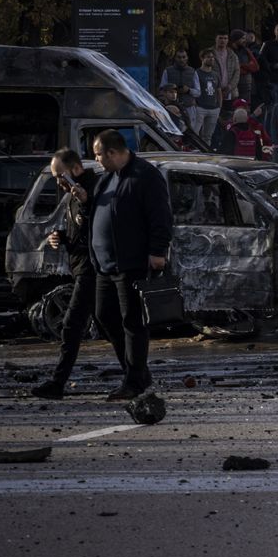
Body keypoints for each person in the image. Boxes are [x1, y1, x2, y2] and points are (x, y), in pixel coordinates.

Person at [85, 129, 173, 400]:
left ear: (112, 152)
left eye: (98, 155)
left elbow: (161, 215)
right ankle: (137, 372)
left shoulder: (144, 175)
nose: (96, 160)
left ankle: (134, 381)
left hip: (131, 262)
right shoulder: (106, 179)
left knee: (133, 322)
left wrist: (157, 251)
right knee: (104, 315)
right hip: (105, 265)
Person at [30, 150, 106, 399]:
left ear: (75, 169)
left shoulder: (94, 189)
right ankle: (136, 376)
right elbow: (79, 232)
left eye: (60, 175)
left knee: (72, 325)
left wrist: (86, 202)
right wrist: (61, 237)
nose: (58, 182)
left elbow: (100, 226)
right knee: (110, 323)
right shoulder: (73, 195)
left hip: (92, 269)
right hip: (82, 267)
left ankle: (57, 382)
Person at [158, 48, 201, 135]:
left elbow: (198, 92)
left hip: (189, 107)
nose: (181, 59)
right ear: (175, 58)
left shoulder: (192, 72)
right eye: (179, 57)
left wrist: (188, 90)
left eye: (183, 57)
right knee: (172, 132)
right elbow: (162, 89)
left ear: (187, 58)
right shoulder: (168, 71)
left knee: (190, 133)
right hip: (172, 108)